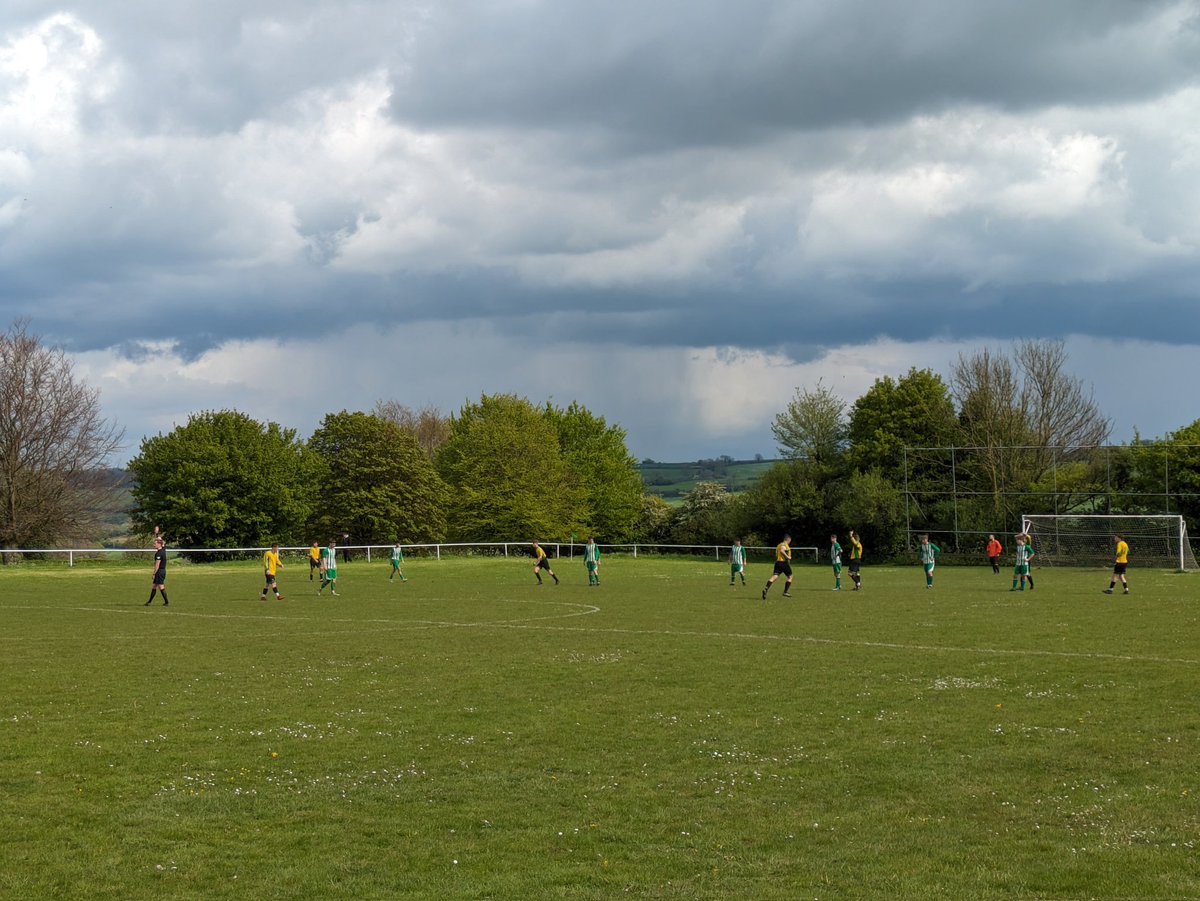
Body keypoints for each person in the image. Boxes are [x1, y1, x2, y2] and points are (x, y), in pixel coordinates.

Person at [762, 534, 793, 599]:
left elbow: (777, 553)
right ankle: (785, 592)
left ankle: (766, 588)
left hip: (778, 563)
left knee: (774, 577)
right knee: (790, 577)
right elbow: (782, 550)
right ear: (788, 540)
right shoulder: (784, 545)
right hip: (784, 563)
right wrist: (788, 557)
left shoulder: (778, 545)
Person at [144, 538, 169, 607]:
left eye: (155, 544)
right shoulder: (163, 550)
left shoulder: (159, 553)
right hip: (162, 571)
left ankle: (166, 602)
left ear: (159, 544)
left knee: (161, 587)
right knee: (154, 586)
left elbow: (157, 564)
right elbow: (163, 543)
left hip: (159, 572)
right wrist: (158, 536)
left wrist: (154, 573)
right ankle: (149, 602)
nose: (153, 545)